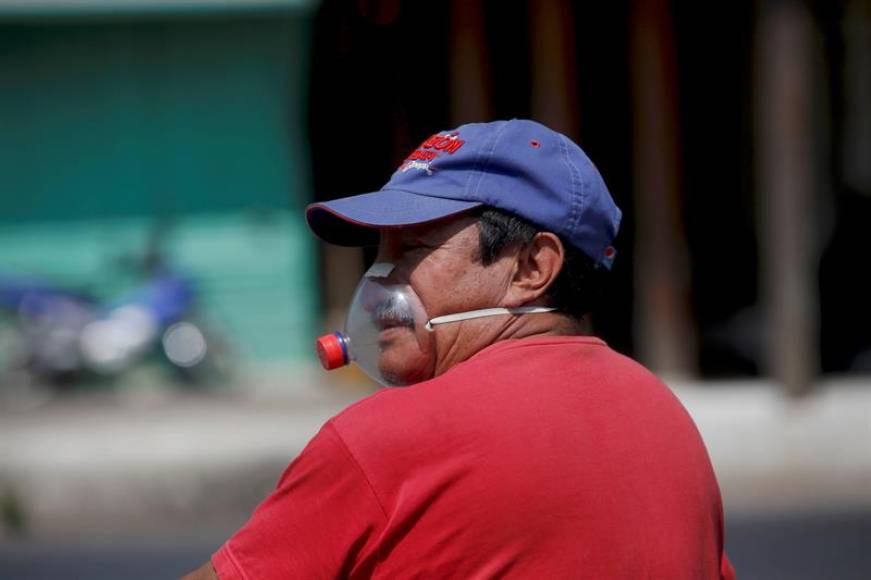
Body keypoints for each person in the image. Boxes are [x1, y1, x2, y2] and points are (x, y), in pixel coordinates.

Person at [184, 119, 735, 579]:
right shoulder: (667, 420)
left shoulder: (383, 439)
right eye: (379, 253)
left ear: (533, 267)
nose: (380, 278)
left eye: (412, 248)